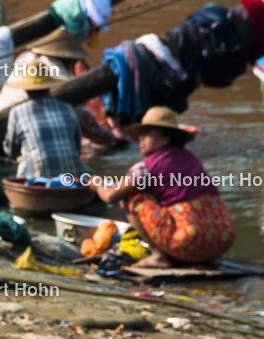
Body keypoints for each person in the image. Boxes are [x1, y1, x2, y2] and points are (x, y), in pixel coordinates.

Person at [89, 106, 235, 269]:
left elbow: (110, 196)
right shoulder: (191, 158)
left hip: (190, 240)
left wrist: (96, 183)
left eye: (147, 135)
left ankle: (158, 256)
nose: (141, 141)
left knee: (132, 198)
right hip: (223, 238)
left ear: (165, 139)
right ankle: (208, 258)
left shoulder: (145, 167)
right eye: (140, 136)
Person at [2, 69, 88, 180]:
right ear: (48, 88)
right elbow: (77, 147)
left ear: (26, 90)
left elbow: (11, 151)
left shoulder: (17, 112)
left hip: (37, 180)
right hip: (73, 178)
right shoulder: (67, 108)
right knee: (90, 172)